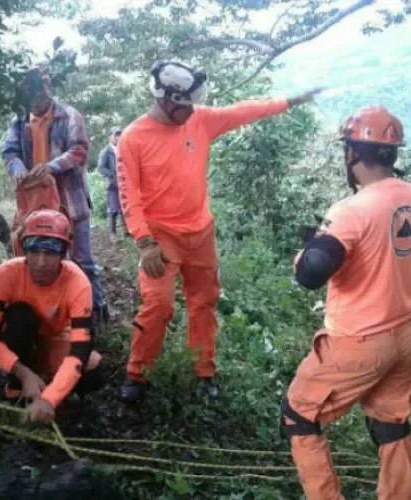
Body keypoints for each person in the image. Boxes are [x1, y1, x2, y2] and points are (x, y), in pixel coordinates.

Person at [115, 60, 323, 402]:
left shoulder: (199, 120)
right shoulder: (133, 138)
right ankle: (137, 375)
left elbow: (243, 111)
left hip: (200, 233)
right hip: (160, 236)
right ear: (166, 101)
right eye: (185, 105)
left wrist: (290, 101)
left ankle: (204, 373)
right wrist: (145, 242)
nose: (192, 111)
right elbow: (129, 195)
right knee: (158, 304)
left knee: (204, 302)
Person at [280, 106, 411, 500]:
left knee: (299, 414)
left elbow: (310, 274)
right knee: (390, 424)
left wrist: (307, 249)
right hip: (404, 336)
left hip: (358, 341)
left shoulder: (352, 210)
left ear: (352, 153)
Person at [0, 209, 104, 424]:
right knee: (19, 317)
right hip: (20, 341)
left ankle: (49, 389)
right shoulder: (6, 275)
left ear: (63, 254)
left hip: (55, 338)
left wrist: (50, 399)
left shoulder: (77, 283)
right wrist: (23, 373)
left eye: (50, 253)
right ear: (24, 250)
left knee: (93, 375)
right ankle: (17, 388)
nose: (41, 262)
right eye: (34, 252)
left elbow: (81, 349)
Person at [1, 67, 110, 326]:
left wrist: (51, 166)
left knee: (82, 259)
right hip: (35, 202)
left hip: (70, 201)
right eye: (29, 99)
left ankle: (95, 312)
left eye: (38, 97)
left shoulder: (70, 115)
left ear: (46, 91)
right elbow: (9, 151)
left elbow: (79, 150)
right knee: (41, 255)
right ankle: (53, 315)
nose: (35, 104)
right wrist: (18, 170)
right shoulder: (18, 121)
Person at [97, 126, 123, 243]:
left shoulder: (122, 149)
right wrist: (112, 175)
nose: (118, 137)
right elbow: (101, 168)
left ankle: (126, 233)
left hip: (123, 183)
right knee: (112, 210)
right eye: (115, 135)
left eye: (119, 135)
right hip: (112, 184)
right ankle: (112, 235)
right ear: (110, 136)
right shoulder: (105, 151)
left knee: (124, 208)